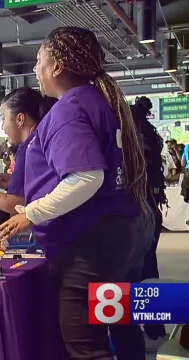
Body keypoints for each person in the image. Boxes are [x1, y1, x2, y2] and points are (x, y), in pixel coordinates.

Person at [0, 27, 150, 360]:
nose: (36, 70)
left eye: (39, 61)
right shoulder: (94, 100)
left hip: (89, 243)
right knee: (106, 329)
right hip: (114, 235)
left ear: (57, 66)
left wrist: (30, 213)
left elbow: (85, 177)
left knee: (84, 346)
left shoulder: (71, 108)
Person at [131, 96, 168, 349]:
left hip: (138, 211)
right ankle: (155, 329)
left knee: (138, 272)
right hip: (151, 207)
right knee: (149, 270)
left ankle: (150, 331)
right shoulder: (152, 137)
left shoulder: (136, 141)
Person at [0, 88, 57, 215]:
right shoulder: (45, 139)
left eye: (3, 118)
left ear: (20, 119)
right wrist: (14, 181)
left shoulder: (28, 148)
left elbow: (14, 204)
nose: (2, 127)